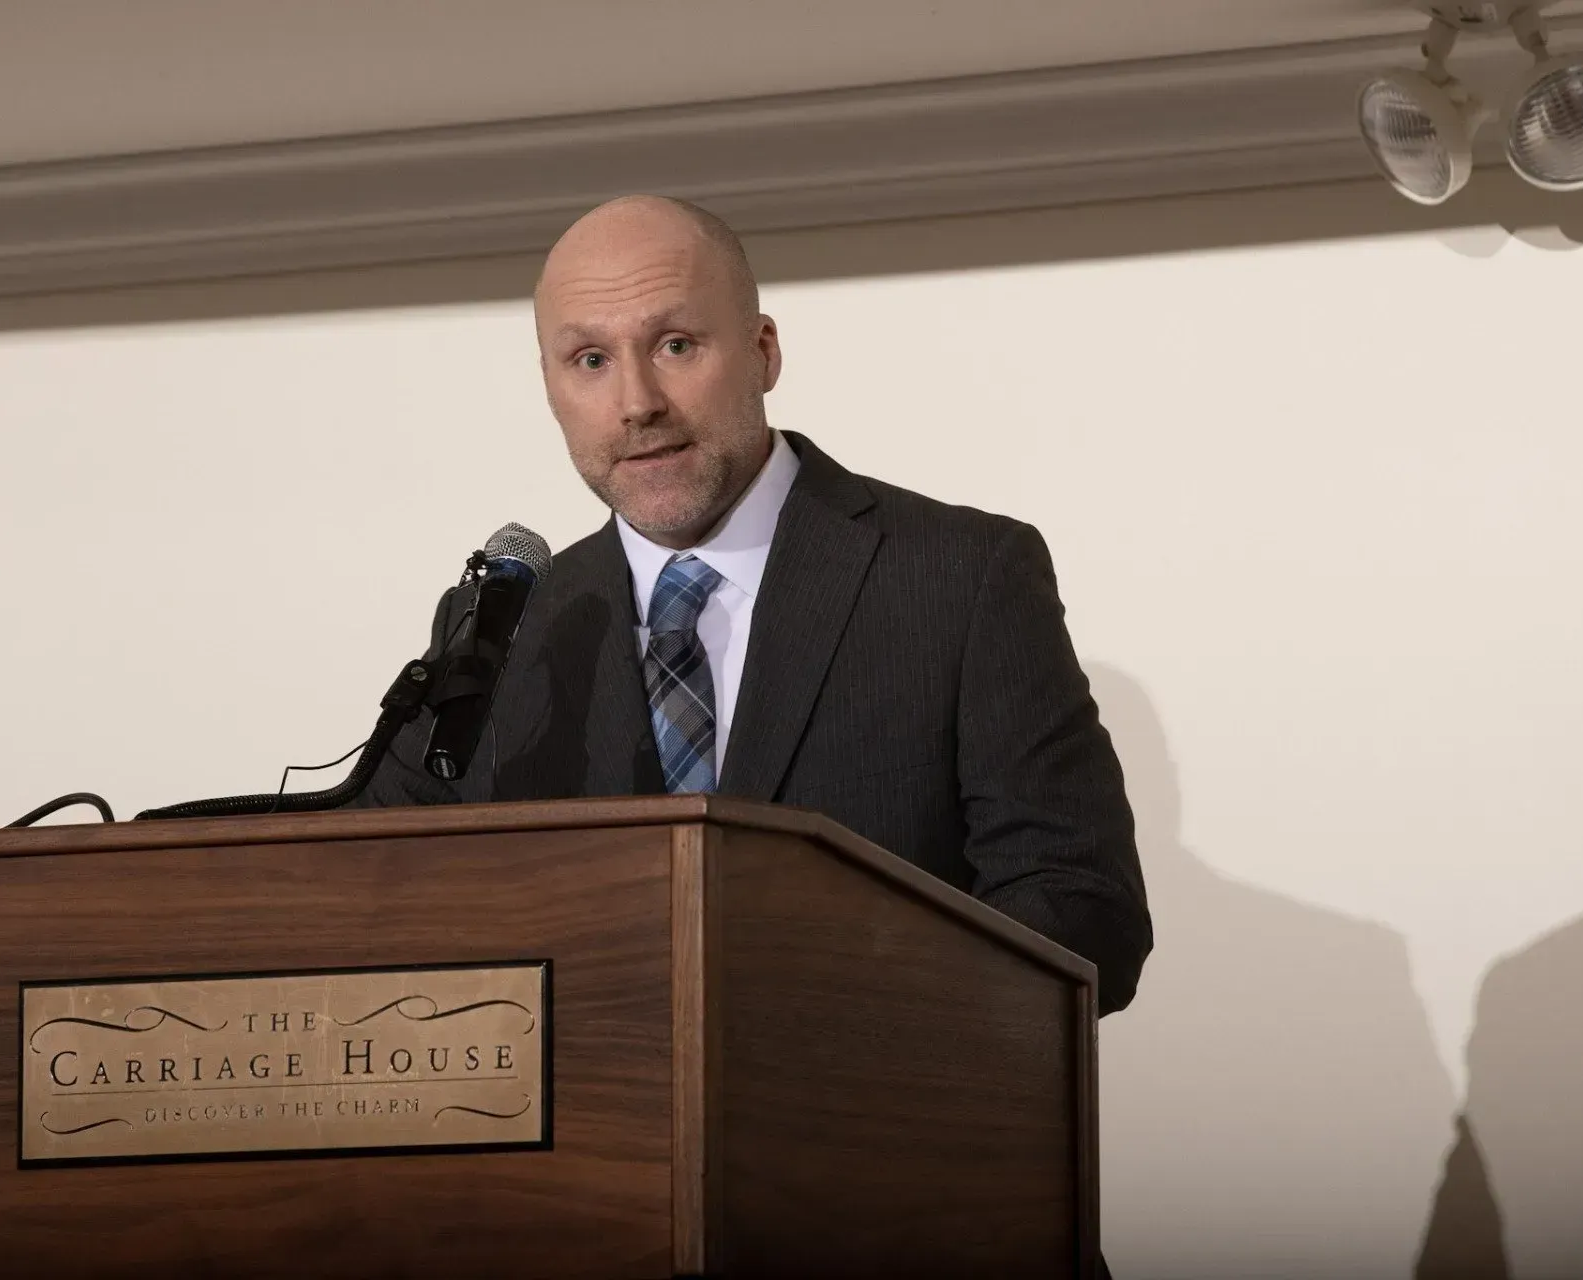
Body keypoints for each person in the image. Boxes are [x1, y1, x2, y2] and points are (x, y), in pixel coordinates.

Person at [354, 195, 1151, 1015]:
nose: (637, 402)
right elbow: (368, 903)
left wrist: (821, 1022)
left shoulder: (960, 577)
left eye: (675, 345)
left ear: (763, 352)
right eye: (589, 360)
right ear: (551, 387)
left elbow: (1084, 913)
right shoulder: (503, 628)